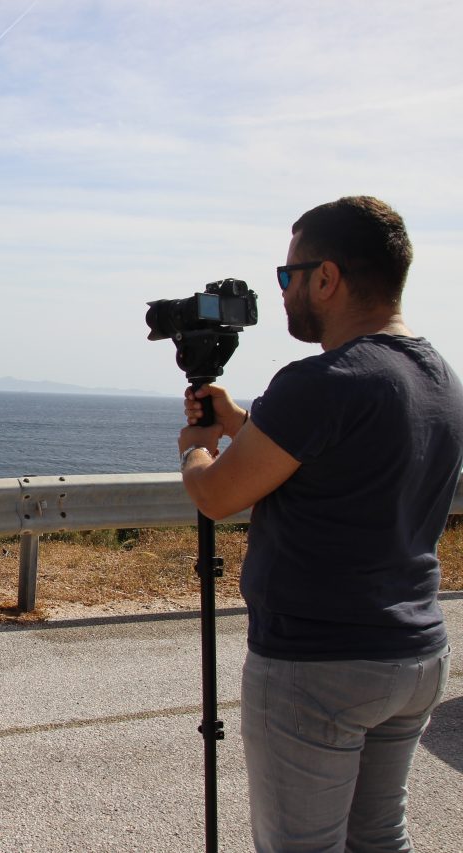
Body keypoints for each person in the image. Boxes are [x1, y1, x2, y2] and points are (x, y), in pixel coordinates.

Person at [177, 197, 460, 851]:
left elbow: (216, 495)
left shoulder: (321, 380)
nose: (283, 291)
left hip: (319, 665)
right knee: (379, 836)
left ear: (326, 277)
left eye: (288, 274)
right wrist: (241, 422)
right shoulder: (438, 375)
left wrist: (195, 442)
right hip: (413, 655)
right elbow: (331, 461)